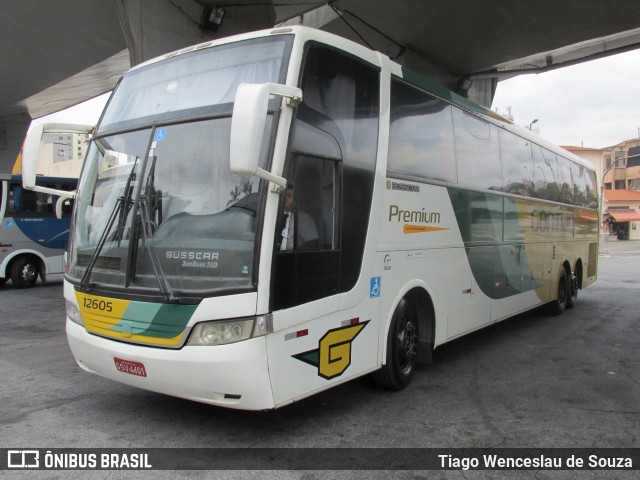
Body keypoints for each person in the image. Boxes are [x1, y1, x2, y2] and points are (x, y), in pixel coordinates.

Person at [280, 184, 319, 251]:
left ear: (295, 199)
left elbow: (312, 243)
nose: (285, 198)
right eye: (284, 195)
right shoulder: (272, 215)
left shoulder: (304, 218)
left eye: (289, 195)